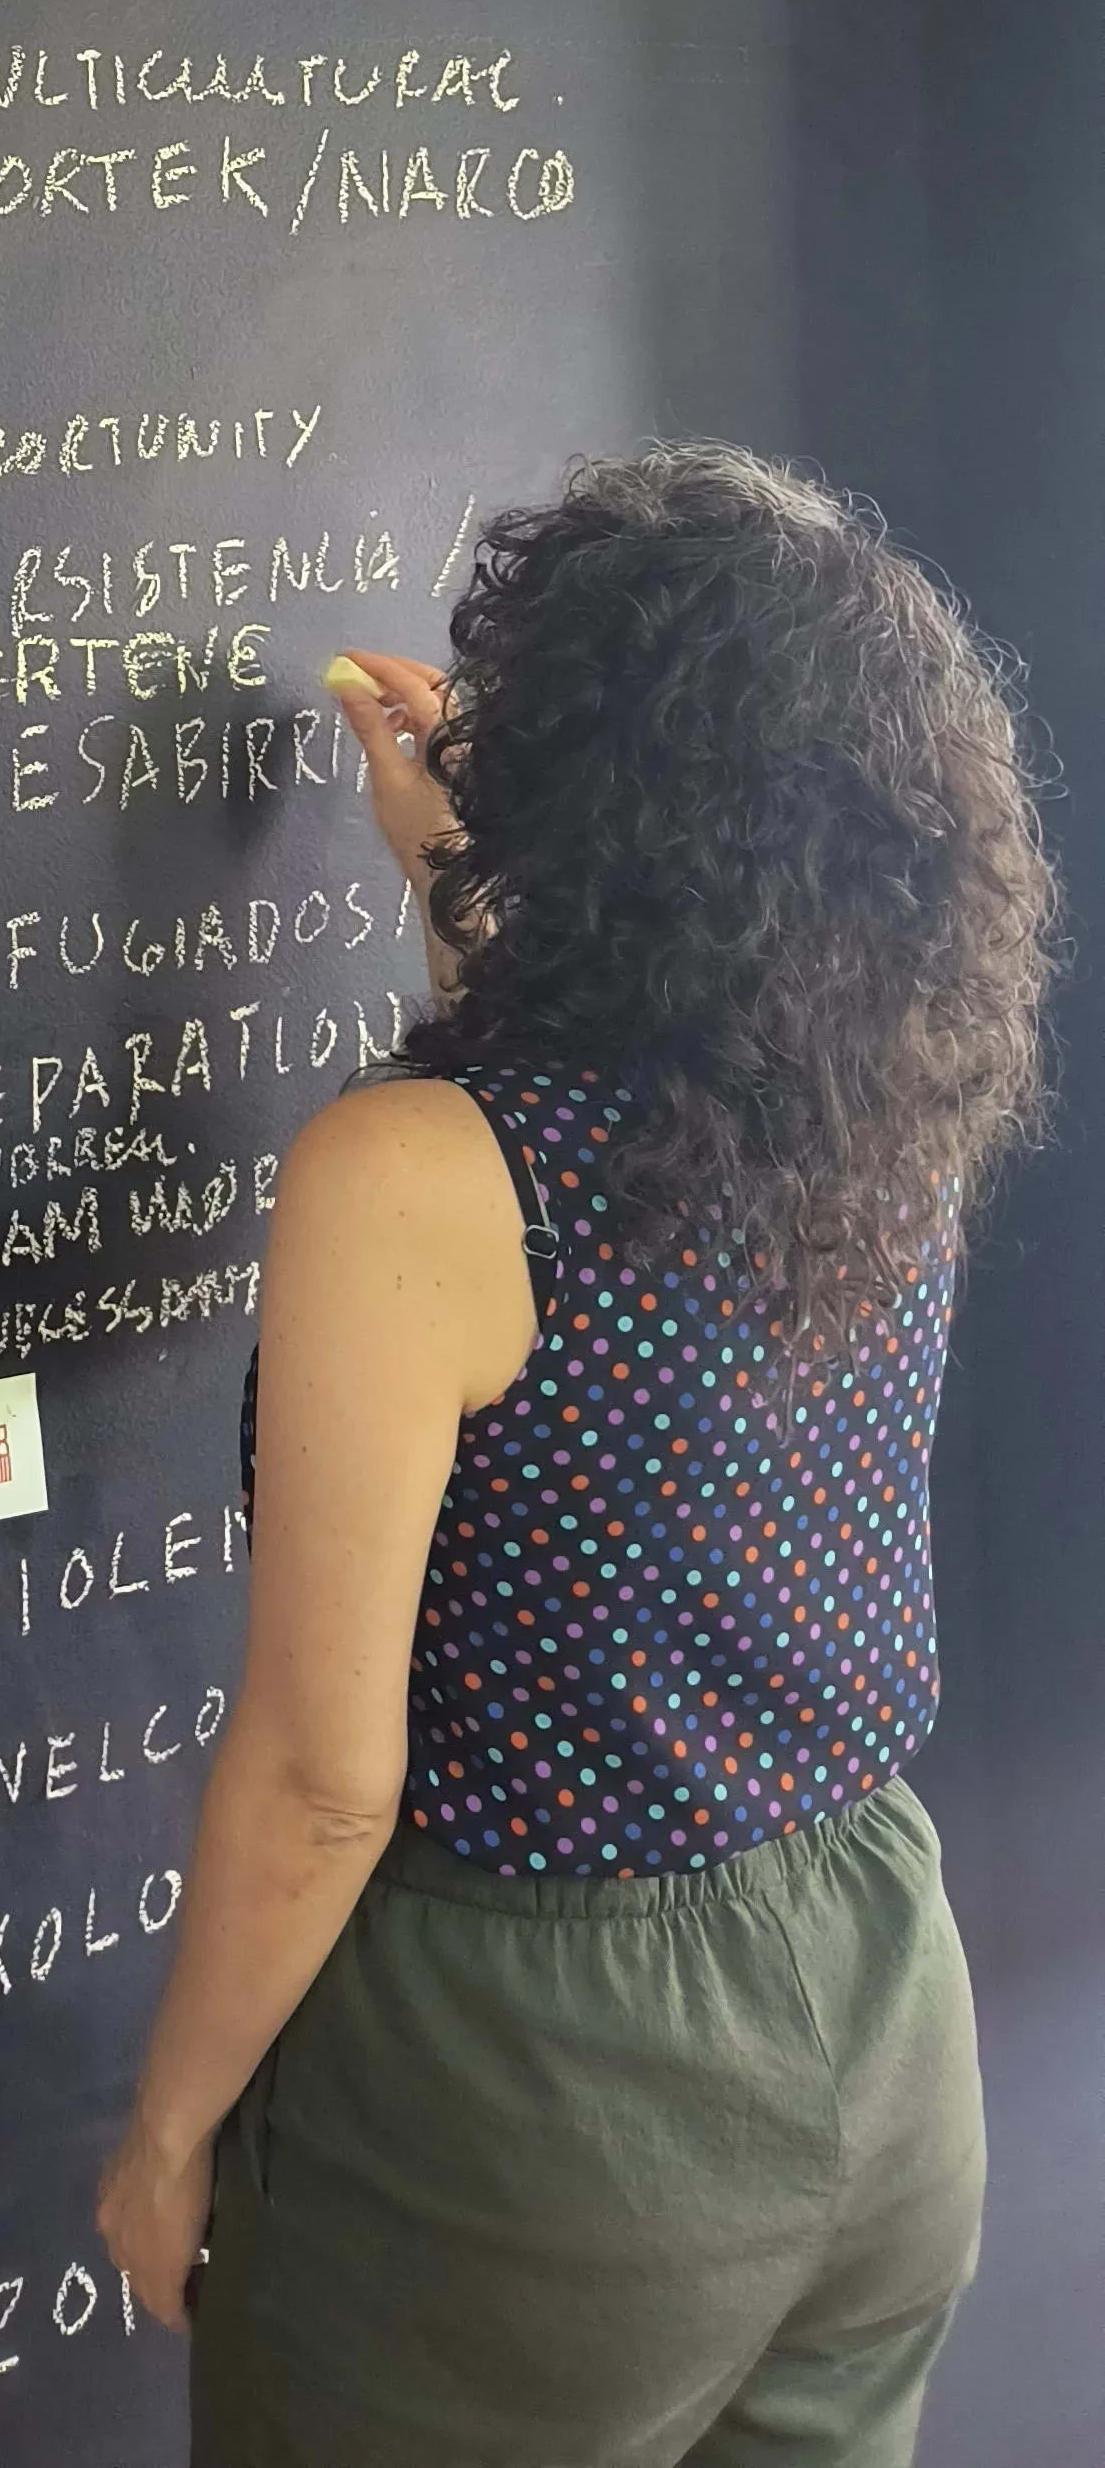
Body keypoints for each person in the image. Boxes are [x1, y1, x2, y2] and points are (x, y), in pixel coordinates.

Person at [94, 445, 1057, 2467]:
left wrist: (172, 2129)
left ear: (582, 787)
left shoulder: (405, 1181)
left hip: (536, 2093)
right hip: (878, 2004)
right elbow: (592, 1194)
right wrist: (450, 880)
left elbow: (321, 1786)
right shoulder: (884, 1089)